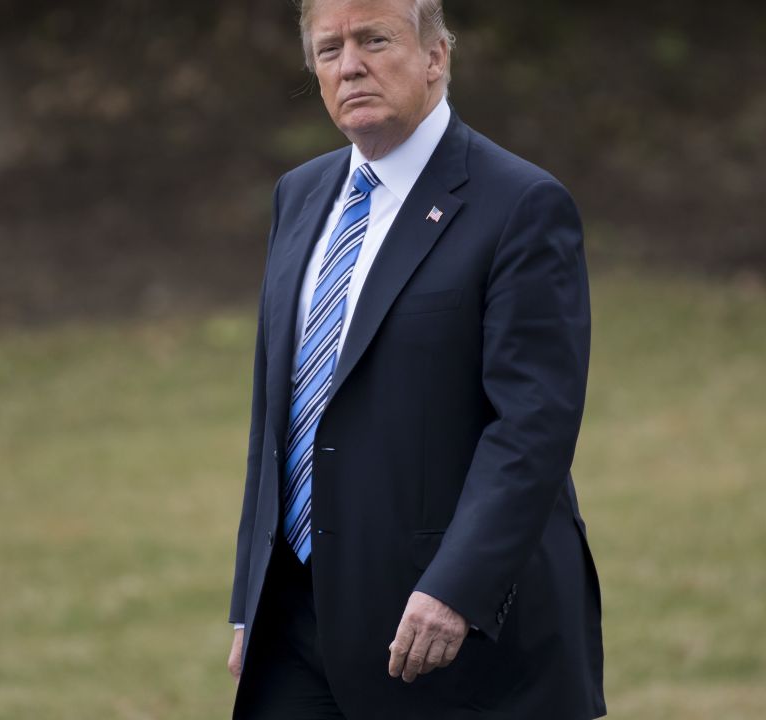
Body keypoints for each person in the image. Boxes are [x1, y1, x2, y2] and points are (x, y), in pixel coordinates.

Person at [225, 0, 604, 717]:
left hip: (450, 633)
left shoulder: (520, 204)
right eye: (329, 48)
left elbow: (533, 425)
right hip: (297, 626)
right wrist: (251, 595)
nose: (351, 65)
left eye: (375, 39)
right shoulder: (299, 196)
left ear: (437, 57)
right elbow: (276, 412)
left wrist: (456, 588)